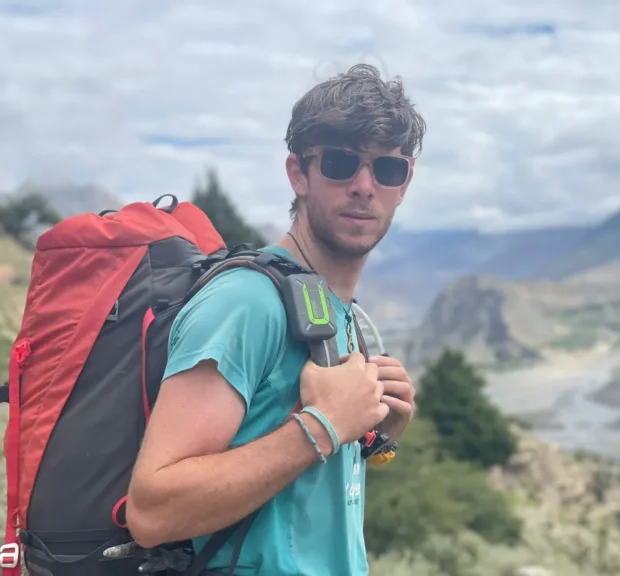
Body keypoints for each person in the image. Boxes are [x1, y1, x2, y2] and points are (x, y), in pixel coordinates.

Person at [126, 63, 427, 575]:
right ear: (298, 174)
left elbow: (301, 499)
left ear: (404, 183)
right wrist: (323, 425)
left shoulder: (335, 310)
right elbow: (152, 512)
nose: (364, 185)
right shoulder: (246, 303)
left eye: (387, 169)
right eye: (340, 163)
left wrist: (375, 435)